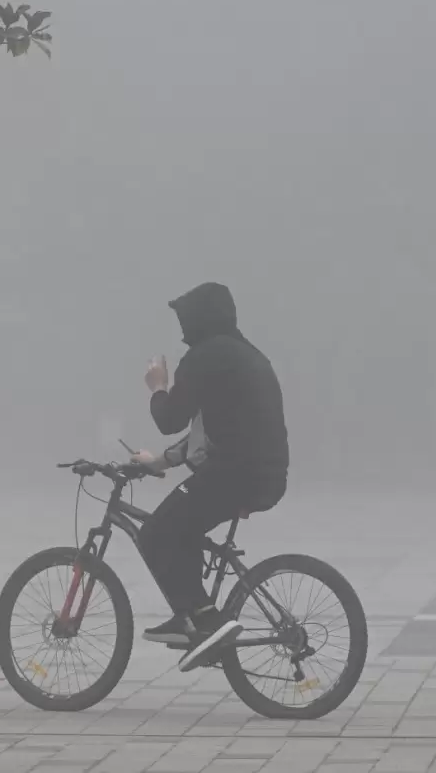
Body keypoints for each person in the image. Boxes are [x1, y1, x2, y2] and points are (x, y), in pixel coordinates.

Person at [128, 282, 289, 672]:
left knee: (154, 533)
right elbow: (209, 432)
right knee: (182, 526)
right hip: (265, 474)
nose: (183, 328)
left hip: (234, 474)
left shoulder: (204, 357)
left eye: (185, 319)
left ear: (200, 318)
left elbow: (170, 420)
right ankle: (193, 618)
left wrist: (158, 387)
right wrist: (160, 462)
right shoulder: (247, 354)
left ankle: (203, 619)